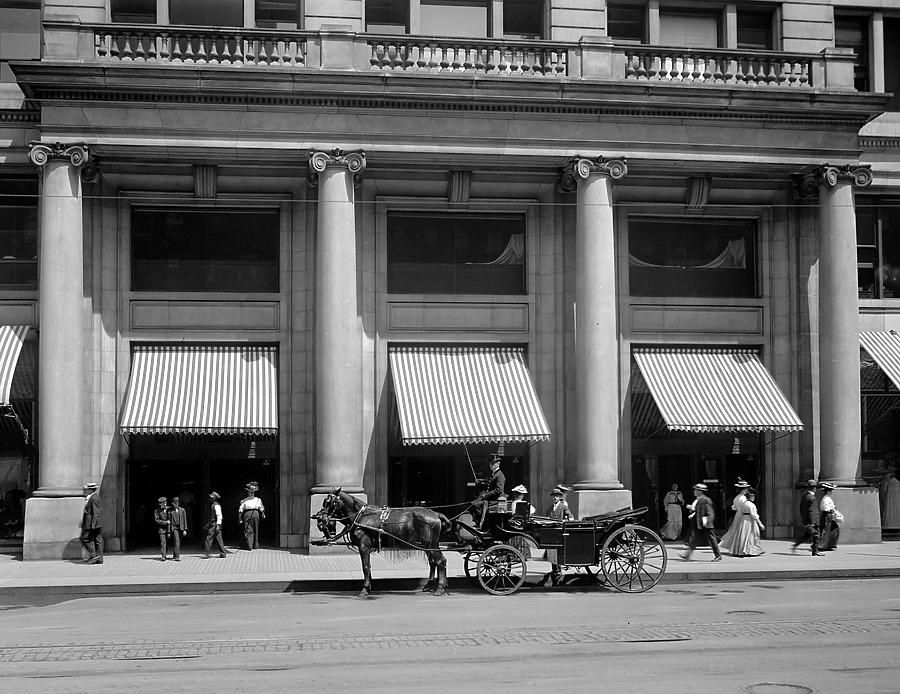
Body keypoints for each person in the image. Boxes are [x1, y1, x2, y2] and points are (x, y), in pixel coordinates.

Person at [681, 483, 722, 562]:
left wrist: (708, 521)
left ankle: (718, 555)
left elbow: (710, 512)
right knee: (694, 540)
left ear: (700, 491)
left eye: (696, 490)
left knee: (712, 540)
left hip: (706, 525)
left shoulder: (706, 500)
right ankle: (687, 555)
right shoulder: (699, 499)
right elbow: (698, 511)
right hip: (699, 524)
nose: (694, 492)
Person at [543, 486, 575, 586]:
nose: (555, 498)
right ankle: (554, 569)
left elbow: (571, 517)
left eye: (557, 496)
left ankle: (557, 571)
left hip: (558, 532)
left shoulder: (563, 507)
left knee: (556, 553)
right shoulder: (549, 509)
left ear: (559, 497)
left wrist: (565, 521)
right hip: (551, 533)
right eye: (554, 496)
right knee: (551, 552)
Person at [471, 453, 506, 527]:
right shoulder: (495, 474)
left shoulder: (499, 475)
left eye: (493, 464)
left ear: (498, 463)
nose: (491, 465)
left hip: (496, 499)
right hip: (491, 498)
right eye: (490, 464)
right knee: (473, 503)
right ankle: (480, 523)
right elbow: (490, 487)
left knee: (476, 505)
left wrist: (486, 495)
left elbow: (499, 490)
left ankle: (482, 525)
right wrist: (481, 484)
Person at [729, 488, 765, 557]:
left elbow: (738, 511)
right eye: (753, 496)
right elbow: (754, 515)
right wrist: (760, 524)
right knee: (752, 535)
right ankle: (750, 550)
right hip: (750, 520)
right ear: (751, 497)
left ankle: (741, 550)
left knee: (743, 535)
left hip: (743, 520)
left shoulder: (743, 504)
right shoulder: (751, 505)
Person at [718, 480, 750, 552]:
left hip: (737, 514)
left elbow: (734, 507)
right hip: (742, 515)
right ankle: (740, 548)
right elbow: (744, 507)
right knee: (741, 532)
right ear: (742, 490)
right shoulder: (743, 498)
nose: (746, 490)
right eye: (745, 489)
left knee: (736, 531)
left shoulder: (737, 497)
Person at [791, 479, 821, 556]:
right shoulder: (812, 498)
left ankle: (795, 545)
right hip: (812, 521)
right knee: (816, 535)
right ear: (814, 488)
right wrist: (813, 522)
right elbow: (812, 511)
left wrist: (804, 519)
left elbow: (801, 509)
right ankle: (815, 551)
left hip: (806, 520)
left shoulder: (804, 497)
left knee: (806, 535)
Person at [238, 482, 266, 550]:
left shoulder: (258, 500)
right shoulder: (245, 500)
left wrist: (263, 513)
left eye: (253, 493)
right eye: (250, 493)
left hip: (255, 514)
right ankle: (249, 545)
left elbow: (261, 507)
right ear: (248, 493)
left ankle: (255, 545)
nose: (251, 494)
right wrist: (239, 517)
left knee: (255, 529)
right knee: (248, 529)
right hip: (247, 514)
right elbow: (241, 509)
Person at [81, 482, 103, 564]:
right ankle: (98, 558)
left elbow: (95, 512)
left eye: (86, 489)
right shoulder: (92, 497)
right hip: (92, 523)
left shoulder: (93, 498)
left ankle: (94, 555)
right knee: (96, 540)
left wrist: (93, 523)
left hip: (92, 523)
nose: (85, 491)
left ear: (90, 490)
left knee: (85, 538)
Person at [203, 491, 230, 558]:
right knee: (219, 539)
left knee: (208, 539)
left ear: (213, 498)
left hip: (214, 525)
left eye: (211, 497)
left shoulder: (216, 505)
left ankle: (207, 553)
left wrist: (218, 525)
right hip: (215, 524)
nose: (209, 498)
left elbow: (219, 516)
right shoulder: (214, 505)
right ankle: (223, 553)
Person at [818, 482, 840, 551]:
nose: (832, 492)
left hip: (828, 515)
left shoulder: (827, 498)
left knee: (832, 529)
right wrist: (831, 510)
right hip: (827, 515)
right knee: (826, 530)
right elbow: (824, 507)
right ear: (828, 491)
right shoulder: (826, 499)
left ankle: (829, 544)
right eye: (831, 490)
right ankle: (821, 545)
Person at [168, 496, 188, 561]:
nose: (176, 504)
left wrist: (185, 529)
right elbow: (169, 522)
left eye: (177, 502)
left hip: (181, 528)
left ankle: (174, 554)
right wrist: (169, 531)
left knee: (179, 541)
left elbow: (185, 520)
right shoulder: (170, 511)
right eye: (174, 503)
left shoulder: (182, 510)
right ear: (172, 503)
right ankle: (177, 557)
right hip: (174, 528)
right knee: (177, 541)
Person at [881, 465, 900, 530]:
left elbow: (884, 487)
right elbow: (884, 487)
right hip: (892, 495)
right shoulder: (888, 476)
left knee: (896, 506)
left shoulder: (890, 477)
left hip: (895, 495)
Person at [153, 496, 171, 561]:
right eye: (163, 503)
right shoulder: (157, 511)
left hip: (169, 528)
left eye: (165, 502)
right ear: (160, 504)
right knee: (163, 542)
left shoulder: (169, 509)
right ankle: (163, 556)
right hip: (162, 529)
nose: (164, 504)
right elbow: (157, 520)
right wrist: (165, 522)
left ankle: (166, 554)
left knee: (168, 542)